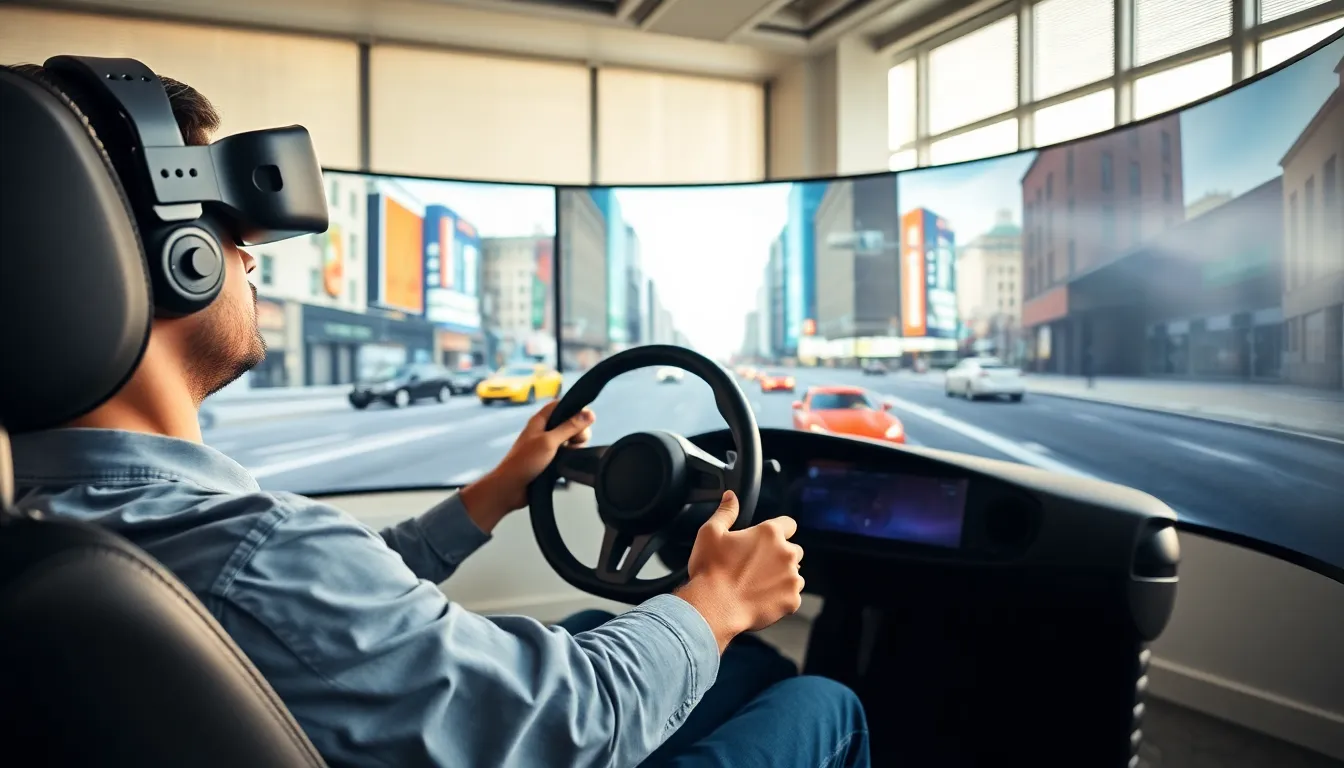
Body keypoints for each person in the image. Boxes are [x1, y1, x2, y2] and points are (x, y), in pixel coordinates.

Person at [6, 63, 869, 768]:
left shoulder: (69, 520)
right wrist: (716, 598)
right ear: (171, 258)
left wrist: (490, 496)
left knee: (691, 648)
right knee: (822, 700)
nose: (249, 253)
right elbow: (571, 720)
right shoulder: (251, 555)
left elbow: (328, 615)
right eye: (229, 226)